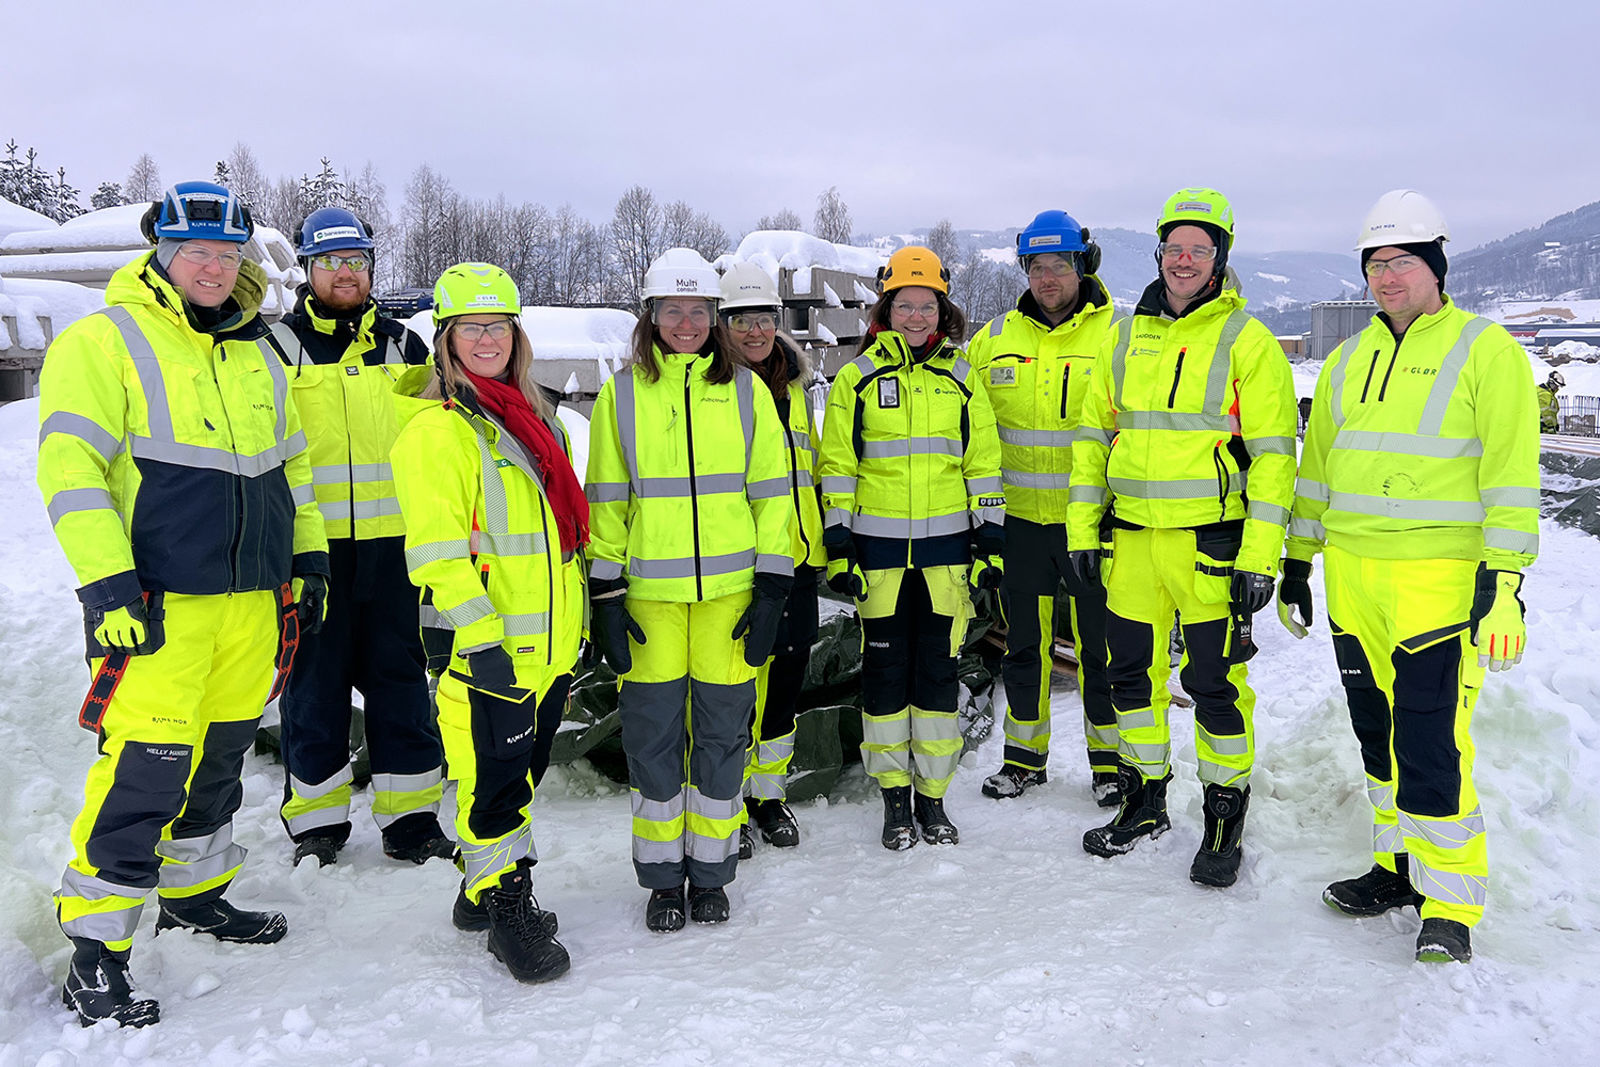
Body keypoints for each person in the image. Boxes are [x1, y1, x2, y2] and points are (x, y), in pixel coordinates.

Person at [37, 180, 329, 1027]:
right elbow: (70, 469)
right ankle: (96, 952)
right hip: (158, 607)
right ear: (161, 251)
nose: (213, 266)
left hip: (250, 606)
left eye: (228, 252)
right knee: (144, 774)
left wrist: (305, 558)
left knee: (218, 766)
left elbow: (293, 470)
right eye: (196, 251)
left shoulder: (261, 349)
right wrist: (107, 582)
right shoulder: (106, 339)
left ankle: (195, 895)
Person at [1281, 189, 1540, 963]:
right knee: (1378, 736)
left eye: (1401, 261)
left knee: (1431, 742)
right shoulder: (1349, 360)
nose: (1386, 276)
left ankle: (1452, 899)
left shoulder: (1485, 351)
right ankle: (1398, 867)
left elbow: (1510, 479)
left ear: (1435, 265)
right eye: (1375, 263)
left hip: (1438, 584)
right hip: (1354, 580)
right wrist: (1299, 558)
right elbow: (1318, 470)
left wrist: (1505, 584)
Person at [1068, 188, 1297, 888]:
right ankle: (1144, 801)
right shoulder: (1126, 337)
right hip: (1132, 544)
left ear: (1220, 258)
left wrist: (1261, 555)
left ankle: (1224, 813)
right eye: (1175, 248)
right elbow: (1090, 440)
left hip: (1212, 548)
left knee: (1215, 686)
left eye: (1200, 249)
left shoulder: (1247, 342)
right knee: (1129, 679)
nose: (1185, 260)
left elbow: (1274, 459)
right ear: (1159, 254)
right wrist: (1082, 530)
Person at [585, 248, 792, 931]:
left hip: (731, 599)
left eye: (698, 310)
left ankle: (710, 874)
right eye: (671, 309)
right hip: (649, 599)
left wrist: (771, 587)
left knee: (724, 735)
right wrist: (606, 594)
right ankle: (660, 879)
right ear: (650, 315)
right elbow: (608, 499)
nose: (685, 322)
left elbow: (773, 497)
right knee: (650, 738)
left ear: (714, 316)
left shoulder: (746, 392)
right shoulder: (621, 393)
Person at [389, 262, 582, 983]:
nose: (487, 339)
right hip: (492, 652)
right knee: (492, 789)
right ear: (444, 339)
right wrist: (481, 640)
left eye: (498, 326)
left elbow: (560, 541)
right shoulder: (439, 433)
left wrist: (578, 626)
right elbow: (439, 557)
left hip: (548, 647)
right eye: (471, 327)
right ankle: (507, 911)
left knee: (518, 778)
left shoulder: (531, 420)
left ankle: (478, 895)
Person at [271, 206, 451, 868]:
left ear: (372, 269)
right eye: (330, 263)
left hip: (394, 549)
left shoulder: (405, 347)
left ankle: (411, 819)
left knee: (401, 682)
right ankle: (317, 825)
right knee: (312, 688)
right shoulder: (279, 350)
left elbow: (437, 444)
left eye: (356, 263)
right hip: (313, 553)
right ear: (308, 270)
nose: (345, 274)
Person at [816, 246, 1004, 850]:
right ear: (886, 309)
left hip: (947, 559)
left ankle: (933, 798)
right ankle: (895, 800)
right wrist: (840, 547)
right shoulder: (857, 378)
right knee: (885, 678)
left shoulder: (962, 378)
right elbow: (838, 466)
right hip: (878, 559)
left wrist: (992, 542)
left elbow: (983, 465)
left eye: (928, 306)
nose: (916, 317)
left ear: (942, 310)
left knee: (938, 677)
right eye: (905, 305)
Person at [966, 210, 1119, 805]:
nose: (1048, 277)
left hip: (1091, 527)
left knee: (1099, 649)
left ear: (1083, 265)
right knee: (1023, 647)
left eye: (1060, 264)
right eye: (1037, 266)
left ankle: (1109, 765)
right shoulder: (994, 339)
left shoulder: (1117, 335)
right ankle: (1024, 760)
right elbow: (967, 428)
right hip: (1022, 527)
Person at [718, 262, 822, 857]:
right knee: (735, 683)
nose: (755, 331)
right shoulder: (714, 388)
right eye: (741, 320)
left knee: (784, 683)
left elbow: (807, 469)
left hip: (796, 554)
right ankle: (725, 800)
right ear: (723, 323)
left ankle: (768, 793)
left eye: (764, 319)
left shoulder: (794, 383)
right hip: (742, 558)